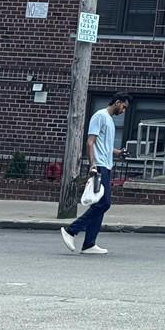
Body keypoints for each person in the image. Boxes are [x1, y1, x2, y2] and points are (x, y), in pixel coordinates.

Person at [59, 93, 127, 255]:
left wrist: (118, 152)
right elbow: (90, 142)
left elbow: (104, 145)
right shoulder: (100, 116)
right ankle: (71, 230)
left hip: (106, 165)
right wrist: (92, 165)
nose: (123, 111)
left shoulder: (109, 120)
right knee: (104, 204)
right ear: (117, 102)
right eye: (123, 107)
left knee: (99, 205)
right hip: (99, 166)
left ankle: (89, 244)